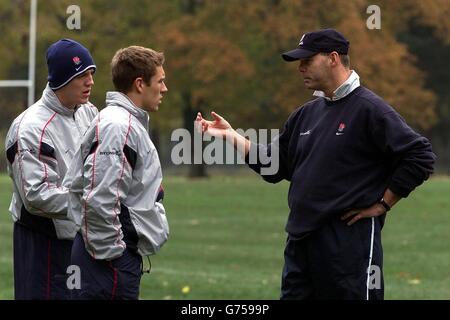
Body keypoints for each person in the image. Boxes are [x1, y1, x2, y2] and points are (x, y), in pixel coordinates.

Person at [196, 28, 436, 300]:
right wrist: (232, 136)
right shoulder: (304, 114)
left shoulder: (370, 109)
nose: (301, 68)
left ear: (333, 58)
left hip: (347, 244)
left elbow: (420, 155)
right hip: (300, 241)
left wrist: (383, 204)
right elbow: (274, 166)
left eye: (307, 60)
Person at [66, 46, 169, 299]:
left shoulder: (125, 122)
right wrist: (114, 257)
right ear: (139, 84)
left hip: (113, 260)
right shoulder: (117, 126)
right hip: (107, 263)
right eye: (160, 81)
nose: (164, 88)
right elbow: (101, 197)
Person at [4, 39, 97, 299]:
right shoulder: (29, 128)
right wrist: (92, 202)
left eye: (92, 74)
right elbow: (36, 195)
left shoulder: (89, 112)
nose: (90, 82)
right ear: (61, 79)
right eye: (82, 75)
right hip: (42, 242)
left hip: (81, 237)